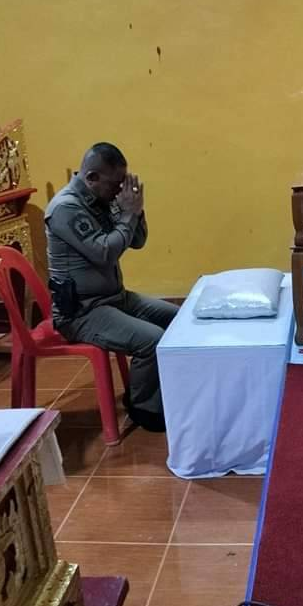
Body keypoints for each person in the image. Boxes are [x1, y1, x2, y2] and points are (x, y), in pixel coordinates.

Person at [45, 142, 178, 432]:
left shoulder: (100, 199)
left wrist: (136, 211)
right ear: (92, 177)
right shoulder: (66, 208)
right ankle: (144, 408)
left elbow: (137, 241)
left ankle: (170, 391)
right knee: (152, 340)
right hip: (81, 312)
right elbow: (104, 253)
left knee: (178, 320)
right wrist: (128, 215)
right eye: (115, 184)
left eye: (123, 184)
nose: (119, 191)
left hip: (114, 298)